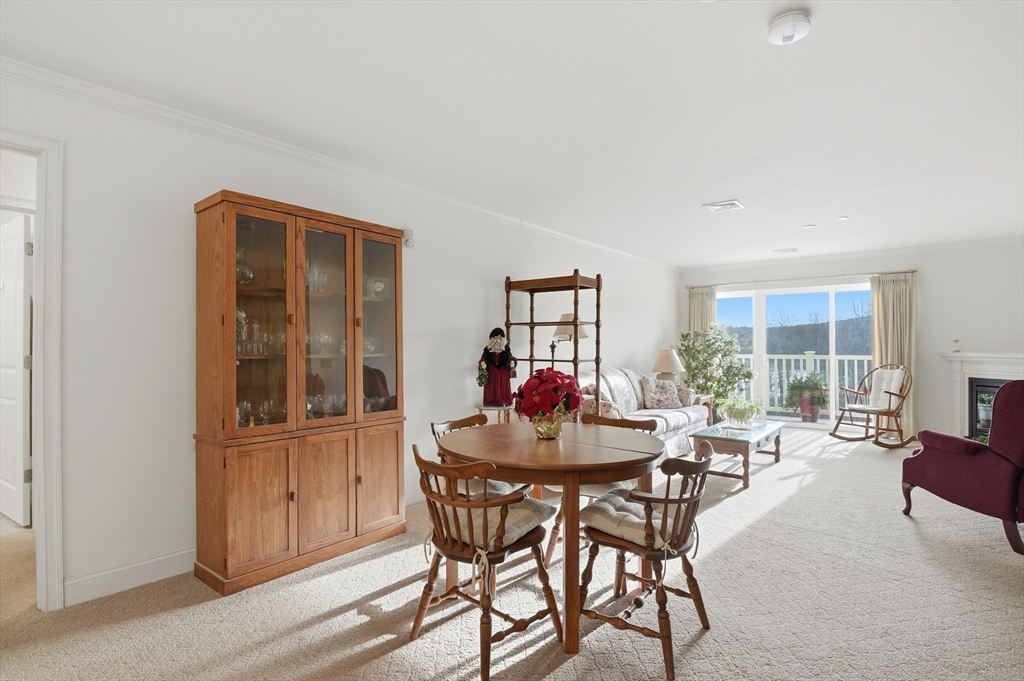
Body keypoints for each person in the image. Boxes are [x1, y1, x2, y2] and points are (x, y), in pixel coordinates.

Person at [477, 327, 517, 407]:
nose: (497, 340)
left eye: (499, 338)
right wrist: (483, 363)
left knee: (503, 387)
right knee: (491, 387)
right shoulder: (487, 351)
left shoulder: (506, 350)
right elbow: (483, 359)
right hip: (491, 372)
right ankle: (490, 400)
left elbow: (510, 358)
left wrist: (512, 362)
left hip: (503, 372)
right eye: (495, 338)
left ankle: (504, 400)